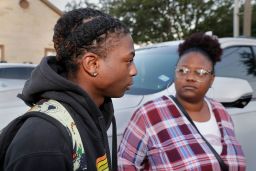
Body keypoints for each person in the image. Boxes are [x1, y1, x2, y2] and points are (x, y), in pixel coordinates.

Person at [3, 8, 137, 171]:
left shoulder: (95, 112)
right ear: (92, 64)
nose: (133, 70)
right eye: (128, 60)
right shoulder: (45, 140)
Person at [118, 32, 246, 170]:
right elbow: (124, 163)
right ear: (175, 73)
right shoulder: (149, 114)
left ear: (212, 80)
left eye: (200, 72)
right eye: (183, 70)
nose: (190, 77)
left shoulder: (221, 112)